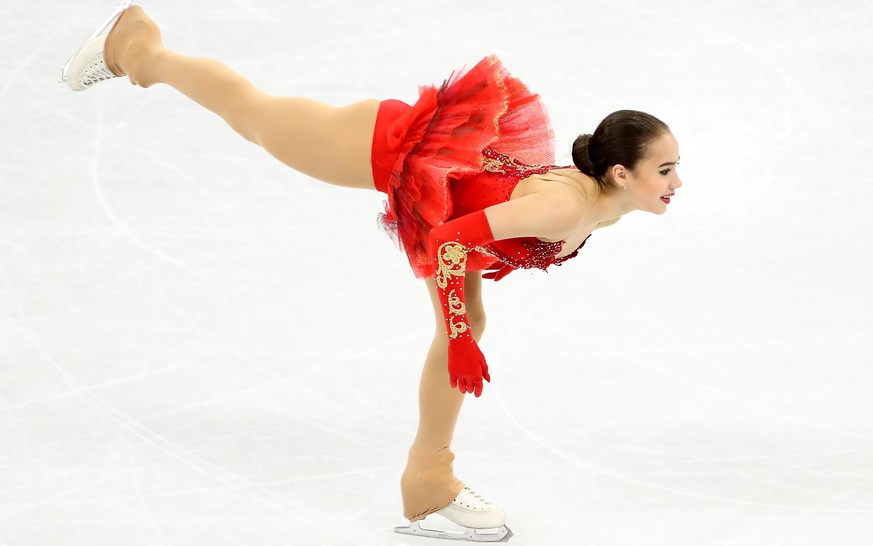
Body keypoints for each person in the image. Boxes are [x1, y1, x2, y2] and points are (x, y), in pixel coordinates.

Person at [61, 2, 683, 541]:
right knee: (254, 115)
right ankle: (139, 49)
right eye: (664, 170)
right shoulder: (567, 208)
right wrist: (461, 336)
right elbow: (446, 238)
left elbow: (471, 234)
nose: (677, 182)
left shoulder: (608, 205)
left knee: (467, 325)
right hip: (388, 148)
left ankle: (429, 479)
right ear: (621, 174)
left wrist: (464, 330)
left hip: (444, 179)